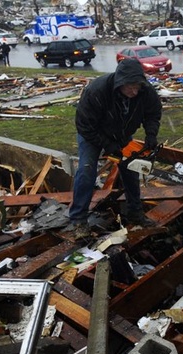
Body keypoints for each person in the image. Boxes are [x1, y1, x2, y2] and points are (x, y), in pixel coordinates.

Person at [69, 58, 161, 239]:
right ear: (120, 83)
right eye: (130, 88)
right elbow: (84, 125)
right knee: (86, 170)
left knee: (131, 170)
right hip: (93, 135)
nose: (134, 92)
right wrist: (107, 145)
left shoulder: (145, 91)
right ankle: (78, 219)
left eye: (137, 87)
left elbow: (153, 113)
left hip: (122, 135)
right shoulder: (97, 91)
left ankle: (135, 212)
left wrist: (151, 134)